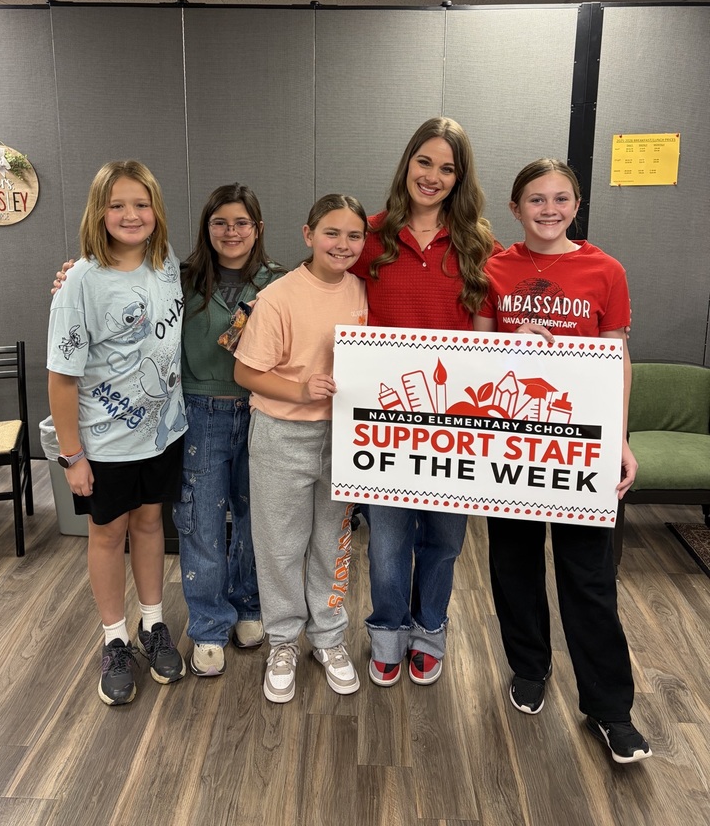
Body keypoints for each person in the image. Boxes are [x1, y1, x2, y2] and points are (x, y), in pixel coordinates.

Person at [473, 157, 651, 764]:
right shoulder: (493, 268)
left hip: (582, 447)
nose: (549, 210)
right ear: (516, 207)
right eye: (536, 200)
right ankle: (529, 668)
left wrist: (619, 439)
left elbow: (616, 358)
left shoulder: (606, 270)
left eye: (561, 199)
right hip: (513, 443)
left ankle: (610, 708)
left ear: (576, 206)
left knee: (591, 578)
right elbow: (473, 354)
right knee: (513, 564)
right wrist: (507, 345)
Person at [350, 116, 497, 686]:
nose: (433, 176)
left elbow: (501, 324)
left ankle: (429, 630)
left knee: (442, 540)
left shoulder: (479, 244)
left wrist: (532, 341)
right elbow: (315, 283)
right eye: (425, 162)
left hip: (455, 425)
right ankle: (387, 631)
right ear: (407, 163)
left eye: (447, 168)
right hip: (383, 424)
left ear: (460, 179)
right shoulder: (370, 235)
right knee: (386, 542)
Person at [44, 161, 187, 706]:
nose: (131, 215)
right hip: (103, 443)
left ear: (156, 211)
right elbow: (61, 378)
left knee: (151, 523)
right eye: (118, 204)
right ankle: (115, 638)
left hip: (161, 434)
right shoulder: (80, 280)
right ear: (99, 212)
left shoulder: (166, 263)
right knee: (108, 533)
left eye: (141, 204)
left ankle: (152, 623)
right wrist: (71, 455)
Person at [234, 194, 368, 703]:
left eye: (354, 235)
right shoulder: (280, 296)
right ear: (308, 235)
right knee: (280, 545)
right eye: (332, 233)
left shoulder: (364, 291)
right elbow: (245, 371)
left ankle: (329, 639)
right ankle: (283, 641)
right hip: (282, 433)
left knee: (332, 541)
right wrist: (300, 389)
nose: (343, 244)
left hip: (345, 436)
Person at [176, 184, 284, 677]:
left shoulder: (281, 281)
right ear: (207, 227)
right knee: (200, 519)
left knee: (255, 516)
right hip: (200, 410)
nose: (231, 232)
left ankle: (249, 606)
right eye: (220, 222)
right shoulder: (178, 279)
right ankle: (207, 625)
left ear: (258, 228)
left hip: (264, 411)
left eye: (242, 222)